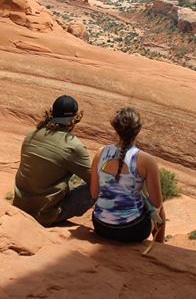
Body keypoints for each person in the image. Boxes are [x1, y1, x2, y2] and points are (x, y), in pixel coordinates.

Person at [12, 95, 93, 226]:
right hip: (45, 214)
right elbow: (95, 181)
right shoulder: (72, 145)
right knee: (98, 184)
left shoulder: (31, 135)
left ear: (52, 113)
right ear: (74, 119)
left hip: (21, 206)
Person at [90, 107, 166, 243]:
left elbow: (94, 194)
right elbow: (157, 203)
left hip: (101, 226)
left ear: (116, 128)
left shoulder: (100, 153)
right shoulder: (146, 160)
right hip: (133, 230)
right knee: (160, 209)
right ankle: (159, 247)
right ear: (138, 129)